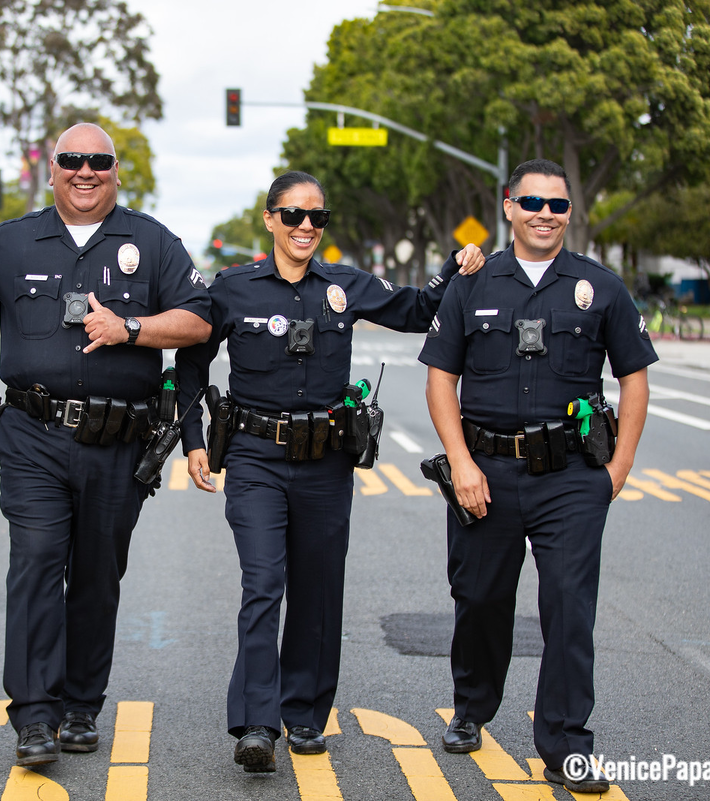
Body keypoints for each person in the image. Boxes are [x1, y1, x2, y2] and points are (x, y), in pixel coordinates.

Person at [175, 171, 485, 773]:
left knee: (318, 592)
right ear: (269, 220)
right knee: (263, 584)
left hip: (326, 463)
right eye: (293, 215)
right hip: (257, 459)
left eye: (317, 217)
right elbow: (191, 363)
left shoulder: (347, 285)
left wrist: (455, 266)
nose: (306, 227)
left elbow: (417, 309)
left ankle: (307, 716)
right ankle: (258, 724)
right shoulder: (232, 288)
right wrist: (193, 442)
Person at [0, 122, 212, 767]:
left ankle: (82, 705)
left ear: (117, 170)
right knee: (35, 563)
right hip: (33, 437)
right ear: (51, 169)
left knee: (97, 575)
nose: (84, 172)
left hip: (120, 443)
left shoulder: (151, 241)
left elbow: (198, 319)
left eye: (98, 161)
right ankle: (34, 716)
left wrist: (133, 327)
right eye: (71, 160)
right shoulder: (10, 242)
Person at [418, 159, 657, 794]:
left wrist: (618, 468)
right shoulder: (472, 284)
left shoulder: (600, 288)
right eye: (531, 202)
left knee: (570, 609)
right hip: (484, 473)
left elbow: (635, 376)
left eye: (555, 204)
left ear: (569, 212)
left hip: (573, 478)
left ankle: (567, 745)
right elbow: (440, 378)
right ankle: (471, 707)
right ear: (508, 207)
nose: (543, 214)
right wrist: (461, 463)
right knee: (481, 600)